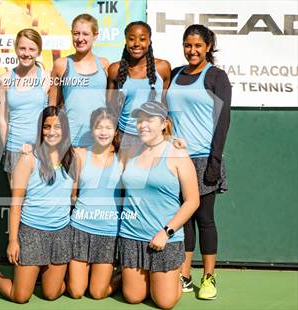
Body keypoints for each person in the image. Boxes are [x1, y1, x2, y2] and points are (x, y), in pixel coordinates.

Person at [0, 106, 77, 303]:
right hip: (32, 232)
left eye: (57, 127)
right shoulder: (28, 159)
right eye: (46, 127)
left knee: (51, 294)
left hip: (61, 234)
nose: (51, 132)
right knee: (21, 296)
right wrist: (13, 241)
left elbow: (73, 196)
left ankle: (42, 273)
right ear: (40, 130)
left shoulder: (73, 158)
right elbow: (16, 205)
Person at [166, 24, 231, 300]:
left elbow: (223, 120)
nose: (192, 51)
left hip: (204, 159)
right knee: (183, 220)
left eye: (197, 46)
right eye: (187, 45)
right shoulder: (175, 74)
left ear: (207, 48)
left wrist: (214, 161)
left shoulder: (216, 76)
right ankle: (184, 276)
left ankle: (208, 277)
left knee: (204, 219)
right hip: (177, 161)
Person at [118, 101, 200, 309]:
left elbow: (192, 201)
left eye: (150, 120)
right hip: (131, 237)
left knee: (165, 303)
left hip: (164, 239)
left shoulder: (178, 155)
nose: (142, 125)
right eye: (140, 120)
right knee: (133, 297)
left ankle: (175, 277)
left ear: (164, 123)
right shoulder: (130, 152)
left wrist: (166, 232)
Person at [67, 107, 122, 299]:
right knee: (76, 292)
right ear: (92, 130)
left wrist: (174, 142)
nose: (104, 132)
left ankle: (123, 275)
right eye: (99, 127)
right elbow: (72, 194)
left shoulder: (124, 158)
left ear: (115, 131)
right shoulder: (80, 154)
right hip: (80, 229)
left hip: (108, 232)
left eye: (109, 127)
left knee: (98, 293)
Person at [107, 21, 171, 149]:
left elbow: (165, 104)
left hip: (155, 138)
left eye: (142, 39)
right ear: (125, 41)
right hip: (125, 138)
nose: (136, 44)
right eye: (131, 39)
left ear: (149, 41)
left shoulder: (163, 67)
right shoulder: (115, 69)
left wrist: (166, 134)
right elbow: (110, 108)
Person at [0, 28, 49, 184]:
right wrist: (6, 148)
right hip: (15, 149)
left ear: (39, 51)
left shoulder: (47, 78)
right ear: (16, 49)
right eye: (22, 48)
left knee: (38, 201)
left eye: (32, 49)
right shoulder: (4, 80)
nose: (27, 53)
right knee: (17, 202)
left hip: (41, 150)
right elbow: (2, 118)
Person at [50, 13, 109, 147]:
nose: (80, 38)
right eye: (76, 33)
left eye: (85, 34)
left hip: (100, 139)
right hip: (70, 140)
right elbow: (52, 106)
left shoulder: (105, 64)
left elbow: (112, 104)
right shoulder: (61, 65)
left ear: (95, 35)